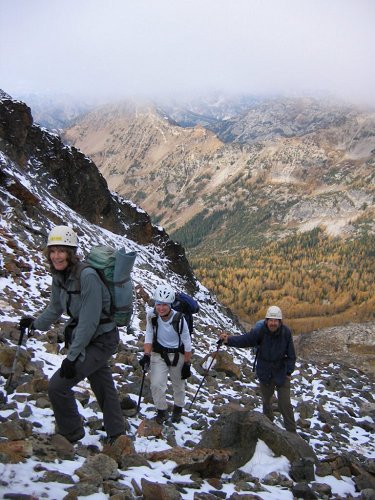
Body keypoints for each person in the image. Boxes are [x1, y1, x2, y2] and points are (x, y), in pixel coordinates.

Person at [19, 225, 126, 443]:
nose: (56, 256)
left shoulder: (87, 277)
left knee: (58, 386)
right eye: (53, 251)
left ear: (71, 252)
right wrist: (34, 324)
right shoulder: (59, 275)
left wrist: (72, 356)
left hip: (102, 339)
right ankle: (117, 433)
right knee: (102, 383)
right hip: (89, 337)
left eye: (62, 250)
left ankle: (71, 431)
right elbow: (55, 307)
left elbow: (89, 321)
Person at [219, 305, 297, 433]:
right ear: (266, 321)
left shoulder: (286, 333)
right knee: (266, 402)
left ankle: (292, 433)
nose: (273, 323)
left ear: (280, 322)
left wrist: (289, 371)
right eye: (270, 320)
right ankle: (268, 428)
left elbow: (291, 354)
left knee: (285, 405)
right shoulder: (260, 331)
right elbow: (245, 340)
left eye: (275, 320)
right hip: (265, 372)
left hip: (281, 371)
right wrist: (228, 340)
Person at [139, 283, 192, 424]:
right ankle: (162, 411)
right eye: (158, 304)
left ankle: (178, 408)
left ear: (170, 305)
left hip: (178, 355)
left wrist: (187, 364)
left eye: (165, 305)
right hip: (159, 353)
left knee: (179, 385)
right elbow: (149, 334)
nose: (161, 308)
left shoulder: (180, 319)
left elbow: (187, 343)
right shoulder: (152, 315)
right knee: (156, 384)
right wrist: (146, 355)